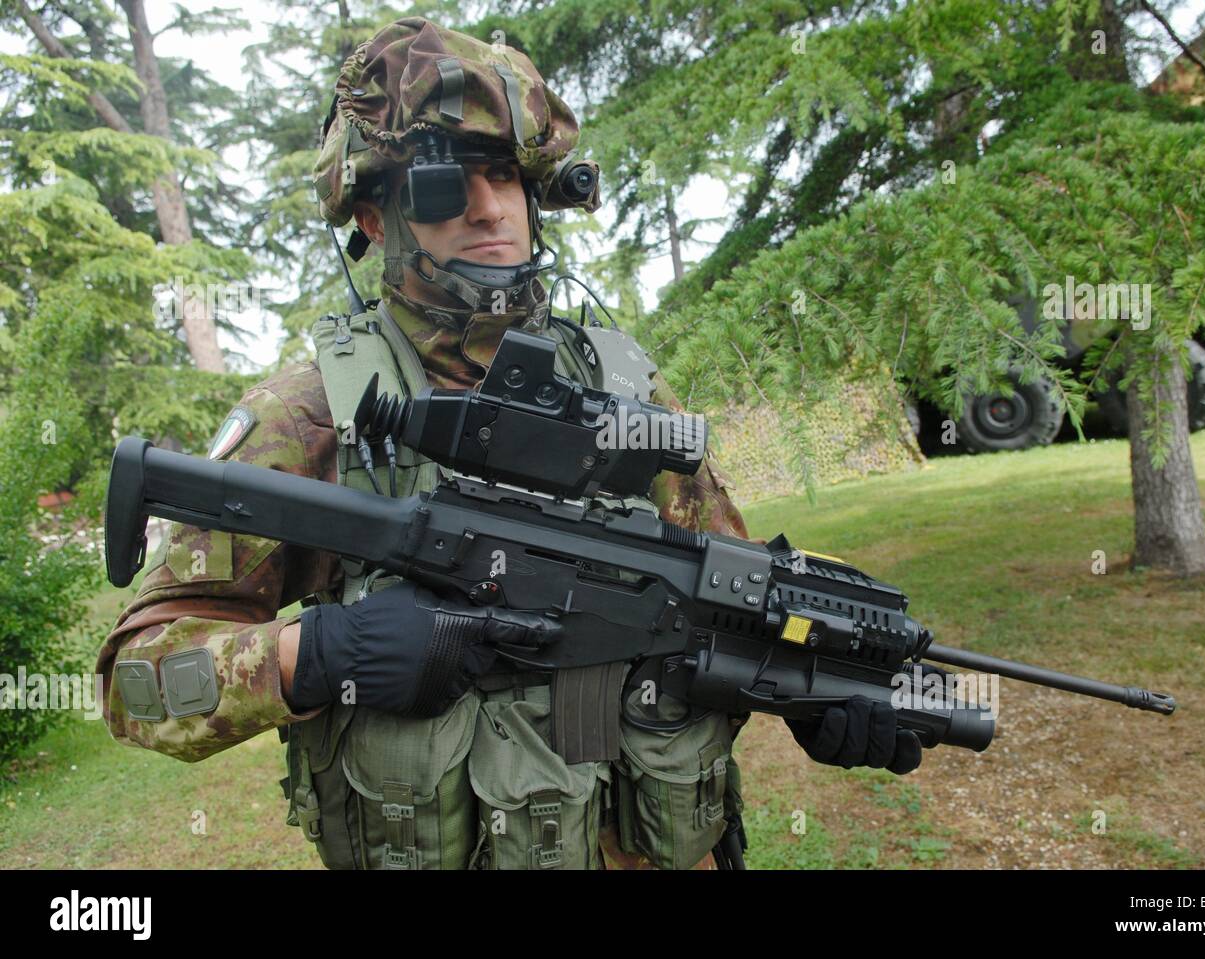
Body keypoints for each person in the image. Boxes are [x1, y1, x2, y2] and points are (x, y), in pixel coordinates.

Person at [96, 17, 923, 871]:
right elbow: (137, 688)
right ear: (376, 217)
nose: (489, 208)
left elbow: (724, 593)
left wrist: (819, 687)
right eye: (445, 184)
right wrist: (315, 656)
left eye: (505, 176)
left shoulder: (626, 389)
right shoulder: (311, 416)